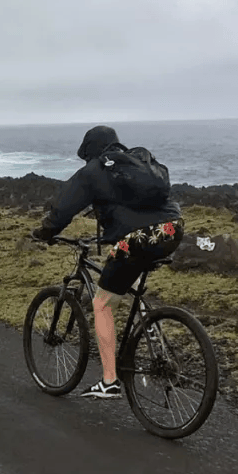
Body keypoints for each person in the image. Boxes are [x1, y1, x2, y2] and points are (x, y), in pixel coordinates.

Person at [31, 125, 184, 399]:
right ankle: (153, 337)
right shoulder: (139, 159)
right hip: (172, 228)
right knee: (129, 269)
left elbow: (64, 209)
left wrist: (46, 232)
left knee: (102, 303)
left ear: (90, 150)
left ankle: (110, 381)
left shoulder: (92, 171)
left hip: (136, 237)